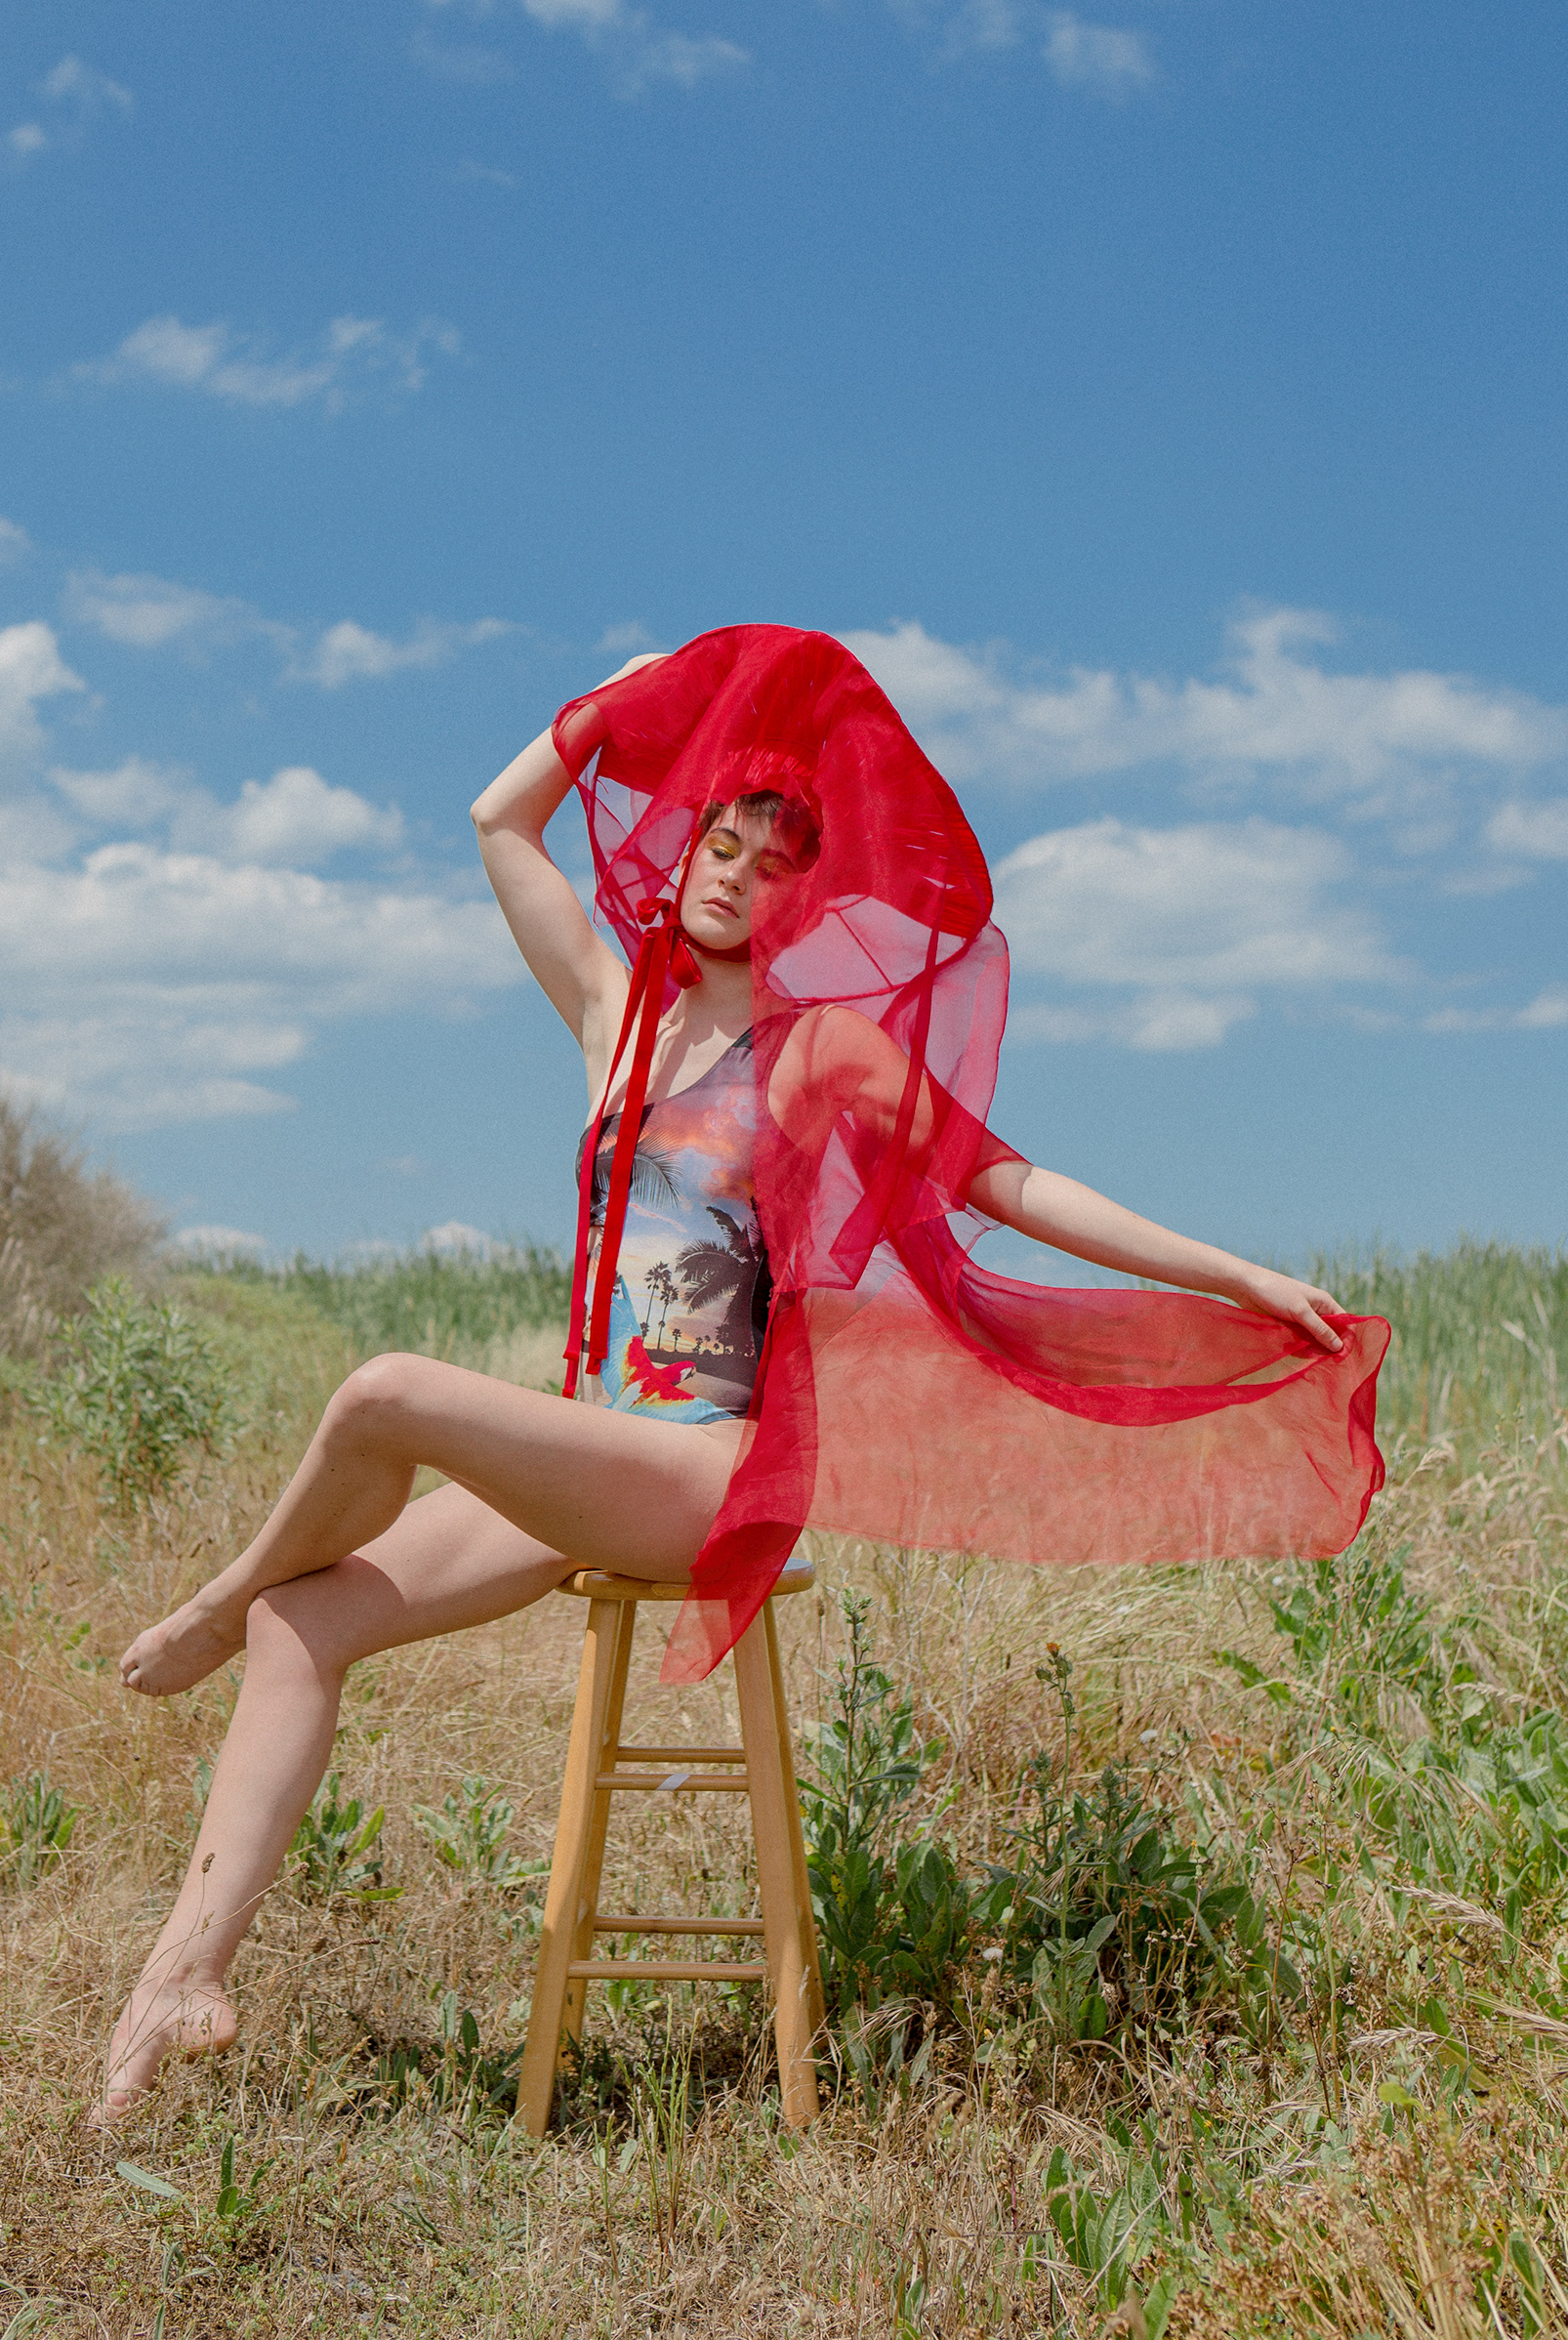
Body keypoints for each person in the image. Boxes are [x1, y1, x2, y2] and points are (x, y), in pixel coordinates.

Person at [96, 632, 1374, 2118]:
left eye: (774, 866)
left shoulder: (818, 1053)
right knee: (306, 1623)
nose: (736, 877)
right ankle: (181, 1975)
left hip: (707, 1474)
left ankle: (217, 1597)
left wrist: (1233, 1275)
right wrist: (627, 702)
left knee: (385, 1390)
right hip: (598, 1449)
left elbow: (1006, 1182)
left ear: (800, 898)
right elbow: (497, 821)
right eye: (722, 841)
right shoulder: (613, 1015)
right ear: (686, 840)